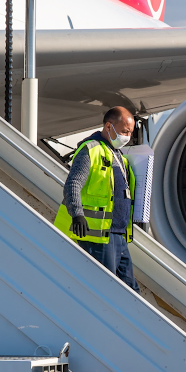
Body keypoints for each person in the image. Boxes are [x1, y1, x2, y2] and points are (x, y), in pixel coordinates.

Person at [53, 107, 139, 292]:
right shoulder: (90, 150)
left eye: (130, 133)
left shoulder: (119, 156)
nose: (127, 137)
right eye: (125, 131)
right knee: (104, 290)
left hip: (117, 235)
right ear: (109, 126)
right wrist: (77, 214)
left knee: (132, 293)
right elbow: (73, 184)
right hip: (96, 236)